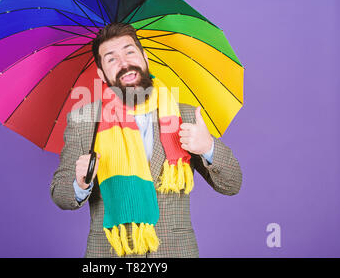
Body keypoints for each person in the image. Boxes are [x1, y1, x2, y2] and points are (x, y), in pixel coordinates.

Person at [50, 23, 242, 258]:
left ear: (145, 57)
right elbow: (61, 195)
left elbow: (232, 184)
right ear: (101, 74)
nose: (124, 63)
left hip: (174, 252)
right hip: (109, 254)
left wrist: (208, 148)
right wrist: (80, 184)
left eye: (129, 51)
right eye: (111, 59)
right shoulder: (85, 121)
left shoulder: (187, 116)